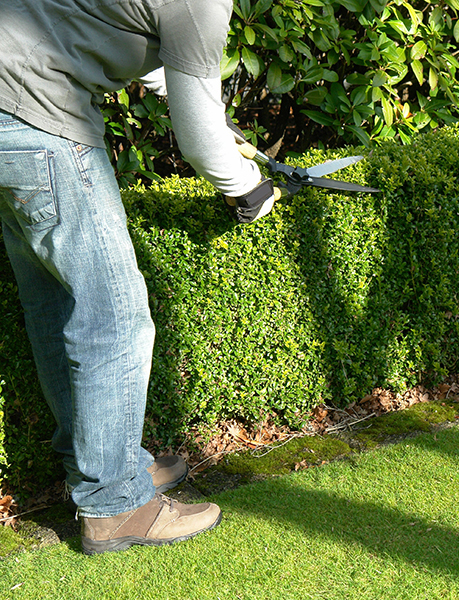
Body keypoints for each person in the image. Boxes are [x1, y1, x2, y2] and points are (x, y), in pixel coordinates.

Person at [0, 0, 275, 555]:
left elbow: (122, 31)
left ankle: (97, 462)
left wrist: (212, 116)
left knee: (54, 301)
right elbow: (197, 138)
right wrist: (247, 185)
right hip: (39, 120)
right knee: (115, 315)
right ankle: (114, 503)